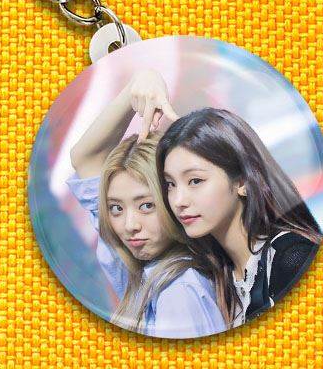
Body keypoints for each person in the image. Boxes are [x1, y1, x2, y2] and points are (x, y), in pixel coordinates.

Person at [67, 71, 225, 338]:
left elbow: (85, 157)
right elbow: (84, 158)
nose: (130, 226)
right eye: (116, 208)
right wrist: (136, 86)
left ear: (174, 201)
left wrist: (140, 82)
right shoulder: (137, 266)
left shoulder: (177, 291)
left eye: (146, 206)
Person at [157, 107, 323, 327]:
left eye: (195, 181)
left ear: (243, 181)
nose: (178, 200)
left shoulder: (292, 259)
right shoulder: (217, 277)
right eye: (170, 184)